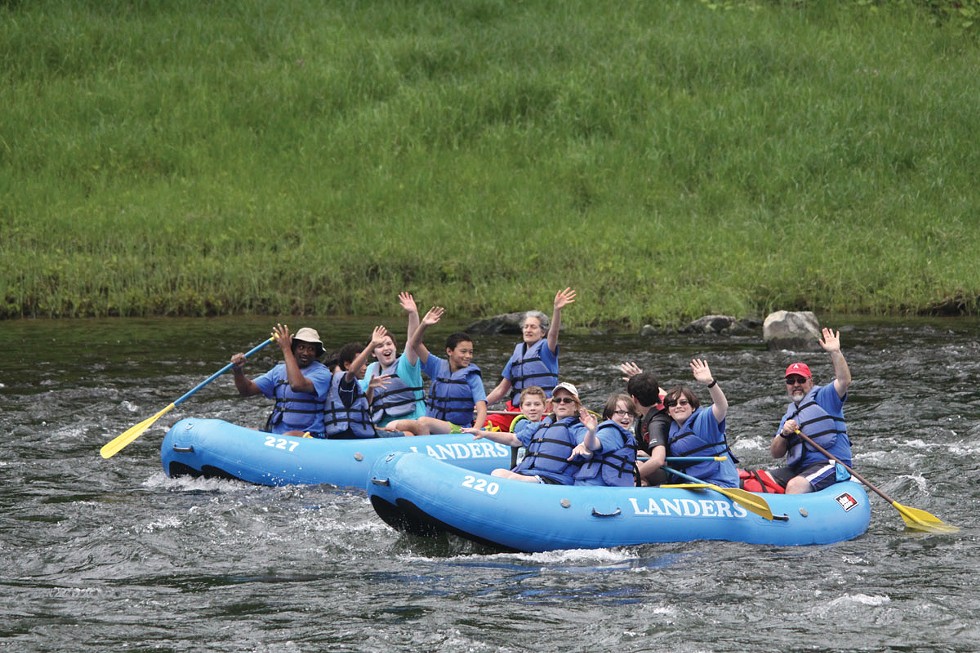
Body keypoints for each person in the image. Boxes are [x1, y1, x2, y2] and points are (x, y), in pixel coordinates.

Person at [769, 327, 853, 494]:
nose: (796, 384)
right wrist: (784, 434)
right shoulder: (789, 415)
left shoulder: (825, 397)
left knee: (795, 486)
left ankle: (790, 518)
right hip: (802, 470)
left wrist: (835, 352)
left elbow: (844, 381)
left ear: (810, 382)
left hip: (832, 465)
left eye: (801, 380)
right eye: (790, 381)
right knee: (758, 480)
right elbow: (775, 453)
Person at [384, 307, 487, 435]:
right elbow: (415, 343)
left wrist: (475, 431)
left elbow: (482, 408)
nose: (468, 356)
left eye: (470, 352)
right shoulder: (437, 366)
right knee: (399, 424)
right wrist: (424, 325)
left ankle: (426, 447)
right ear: (449, 351)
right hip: (436, 426)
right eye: (463, 352)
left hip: (458, 429)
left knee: (423, 421)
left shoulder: (472, 376)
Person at [473, 382, 592, 484]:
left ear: (576, 405)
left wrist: (584, 444)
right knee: (497, 473)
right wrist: (484, 434)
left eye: (567, 400)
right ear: (552, 404)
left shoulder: (578, 427)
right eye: (557, 400)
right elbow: (513, 439)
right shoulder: (541, 425)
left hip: (553, 479)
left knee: (512, 478)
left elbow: (588, 445)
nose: (561, 403)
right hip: (530, 473)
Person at [231, 324, 332, 437]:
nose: (305, 353)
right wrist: (238, 371)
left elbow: (297, 385)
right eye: (301, 347)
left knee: (290, 435)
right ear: (295, 349)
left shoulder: (322, 373)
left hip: (310, 434)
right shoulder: (279, 371)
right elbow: (247, 390)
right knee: (246, 432)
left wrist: (286, 348)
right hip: (277, 434)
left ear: (316, 353)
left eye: (311, 349)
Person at [485, 288, 576, 412]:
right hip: (518, 408)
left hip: (541, 410)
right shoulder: (516, 356)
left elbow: (553, 334)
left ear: (542, 332)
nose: (528, 330)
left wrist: (557, 310)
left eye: (533, 327)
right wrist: (481, 405)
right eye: (526, 327)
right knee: (485, 423)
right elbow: (501, 389)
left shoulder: (546, 350)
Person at [663, 359, 739, 488]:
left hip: (721, 483)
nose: (678, 406)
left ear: (693, 407)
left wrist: (710, 382)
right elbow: (659, 396)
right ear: (668, 412)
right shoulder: (673, 429)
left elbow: (722, 406)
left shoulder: (704, 421)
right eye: (673, 404)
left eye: (683, 402)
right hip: (693, 484)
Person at [362, 292, 426, 427]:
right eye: (379, 346)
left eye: (389, 344)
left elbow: (413, 342)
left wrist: (413, 314)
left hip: (412, 421)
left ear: (395, 347)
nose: (386, 348)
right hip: (381, 425)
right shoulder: (370, 370)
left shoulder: (406, 365)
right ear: (373, 353)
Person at [322, 326, 391, 439]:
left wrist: (370, 388)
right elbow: (352, 371)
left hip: (361, 433)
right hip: (350, 437)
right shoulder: (344, 381)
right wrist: (372, 345)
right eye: (361, 363)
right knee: (408, 434)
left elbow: (364, 405)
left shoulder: (354, 384)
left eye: (366, 363)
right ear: (347, 365)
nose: (365, 368)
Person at [570, 393, 639, 487]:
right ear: (609, 416)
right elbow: (593, 444)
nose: (626, 417)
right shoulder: (612, 432)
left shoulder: (617, 433)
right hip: (596, 489)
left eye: (630, 413)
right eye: (621, 412)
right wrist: (591, 431)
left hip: (586, 486)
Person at [620, 365, 671, 486]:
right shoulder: (665, 404)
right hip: (662, 465)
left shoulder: (656, 424)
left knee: (635, 464)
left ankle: (641, 482)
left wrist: (630, 477)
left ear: (633, 398)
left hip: (670, 472)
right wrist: (642, 380)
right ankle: (643, 482)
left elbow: (658, 460)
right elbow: (663, 393)